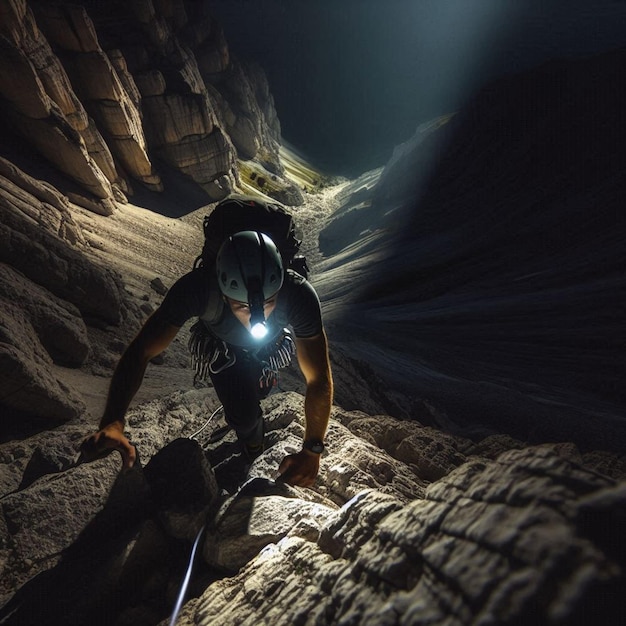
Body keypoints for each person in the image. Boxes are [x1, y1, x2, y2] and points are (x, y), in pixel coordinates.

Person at [81, 229, 333, 487]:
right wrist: (112, 421)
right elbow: (142, 351)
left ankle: (252, 432)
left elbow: (319, 378)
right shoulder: (199, 289)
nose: (258, 317)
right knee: (243, 415)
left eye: (269, 302)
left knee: (251, 398)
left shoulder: (297, 294)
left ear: (280, 286)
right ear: (223, 294)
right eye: (242, 307)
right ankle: (252, 444)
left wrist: (314, 449)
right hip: (222, 348)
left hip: (260, 346)